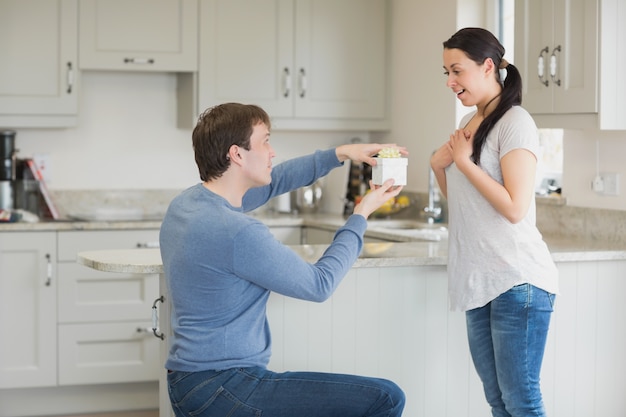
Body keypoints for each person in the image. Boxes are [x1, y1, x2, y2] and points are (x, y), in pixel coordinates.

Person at [160, 102, 406, 417]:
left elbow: (278, 180)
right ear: (237, 154)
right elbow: (319, 285)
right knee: (386, 397)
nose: (272, 152)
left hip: (188, 384)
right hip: (227, 385)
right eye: (265, 141)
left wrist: (342, 152)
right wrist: (361, 214)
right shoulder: (238, 232)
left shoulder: (186, 205)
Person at [430, 28, 559, 417]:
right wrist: (440, 165)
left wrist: (464, 163)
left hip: (516, 282)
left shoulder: (515, 122)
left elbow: (515, 207)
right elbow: (470, 207)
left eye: (457, 71)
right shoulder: (473, 121)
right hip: (480, 283)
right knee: (498, 402)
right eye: (446, 73)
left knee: (521, 401)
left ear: (488, 67)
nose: (450, 81)